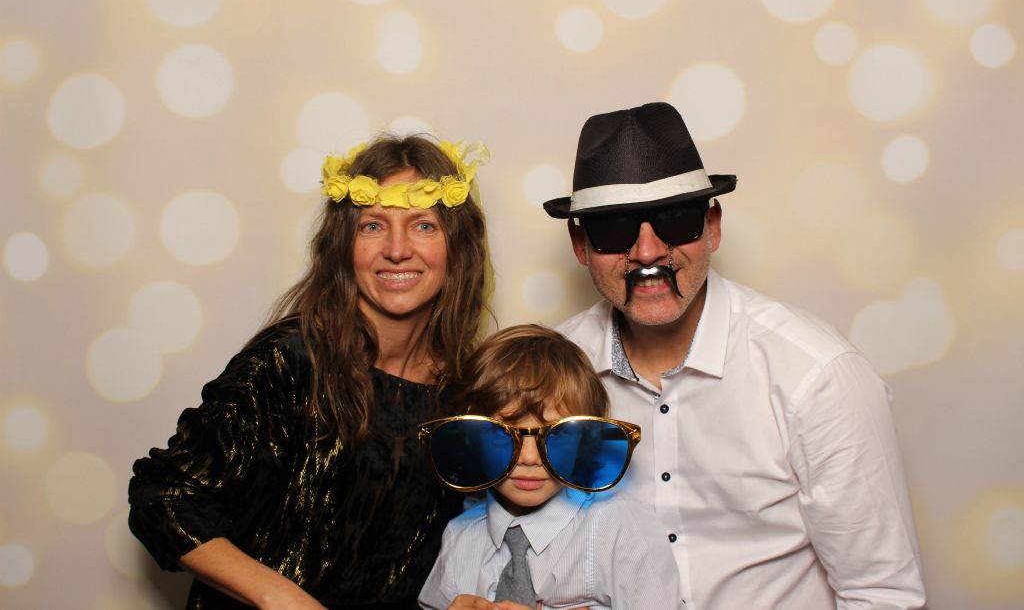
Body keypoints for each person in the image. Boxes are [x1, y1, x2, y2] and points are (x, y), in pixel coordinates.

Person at [543, 103, 927, 609]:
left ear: (713, 226)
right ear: (580, 244)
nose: (647, 251)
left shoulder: (816, 376)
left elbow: (882, 593)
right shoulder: (549, 375)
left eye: (675, 219)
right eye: (614, 228)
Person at [129, 135, 492, 609]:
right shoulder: (291, 361)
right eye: (373, 226)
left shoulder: (466, 393)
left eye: (423, 225)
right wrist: (278, 597)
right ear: (343, 245)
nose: (397, 249)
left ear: (458, 248)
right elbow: (163, 497)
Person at [418, 324, 682, 610]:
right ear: (472, 438)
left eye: (557, 434)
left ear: (584, 440)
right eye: (502, 434)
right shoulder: (460, 537)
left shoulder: (621, 528)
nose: (529, 457)